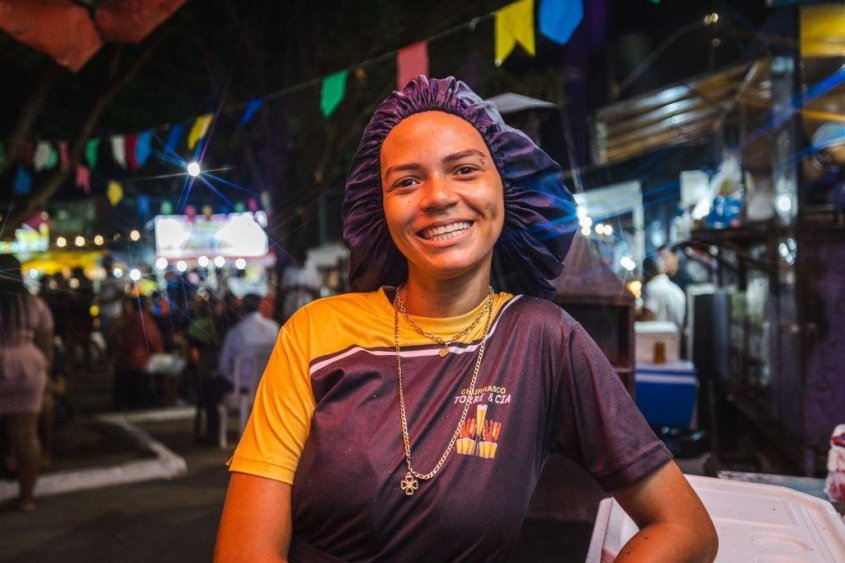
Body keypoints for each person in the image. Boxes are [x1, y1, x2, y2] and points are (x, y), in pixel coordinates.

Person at [216, 77, 718, 561]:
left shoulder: (543, 338)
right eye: (407, 181)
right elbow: (244, 550)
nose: (437, 197)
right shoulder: (315, 332)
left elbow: (684, 526)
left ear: (507, 187)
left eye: (464, 170)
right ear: (380, 208)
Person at [0, 254, 54, 511]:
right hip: (28, 367)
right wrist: (45, 371)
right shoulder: (33, 303)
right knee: (26, 435)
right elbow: (46, 343)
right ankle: (27, 498)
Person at [108, 296, 163, 410]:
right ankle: (169, 397)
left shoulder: (126, 320)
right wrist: (160, 350)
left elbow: (116, 340)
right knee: (178, 364)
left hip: (125, 358)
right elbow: (153, 341)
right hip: (141, 359)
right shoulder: (144, 319)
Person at [642, 254, 687, 332]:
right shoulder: (677, 290)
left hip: (657, 341)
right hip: (676, 341)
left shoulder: (652, 287)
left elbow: (647, 318)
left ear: (647, 272)